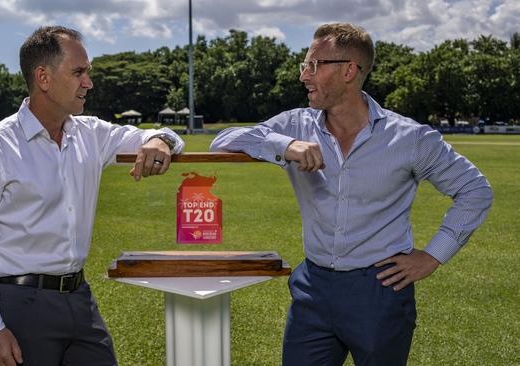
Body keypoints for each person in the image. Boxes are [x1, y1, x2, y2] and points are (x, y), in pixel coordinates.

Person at [210, 23, 493, 366]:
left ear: (349, 71)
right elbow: (223, 140)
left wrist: (433, 256)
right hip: (313, 289)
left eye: (313, 65)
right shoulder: (295, 125)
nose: (303, 75)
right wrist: (284, 145)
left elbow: (474, 189)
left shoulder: (411, 138)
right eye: (304, 65)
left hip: (380, 290)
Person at [0, 26, 184, 366]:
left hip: (79, 298)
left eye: (87, 72)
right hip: (19, 306)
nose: (88, 82)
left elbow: (166, 136)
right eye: (79, 72)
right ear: (43, 77)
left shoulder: (91, 133)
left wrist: (160, 140)